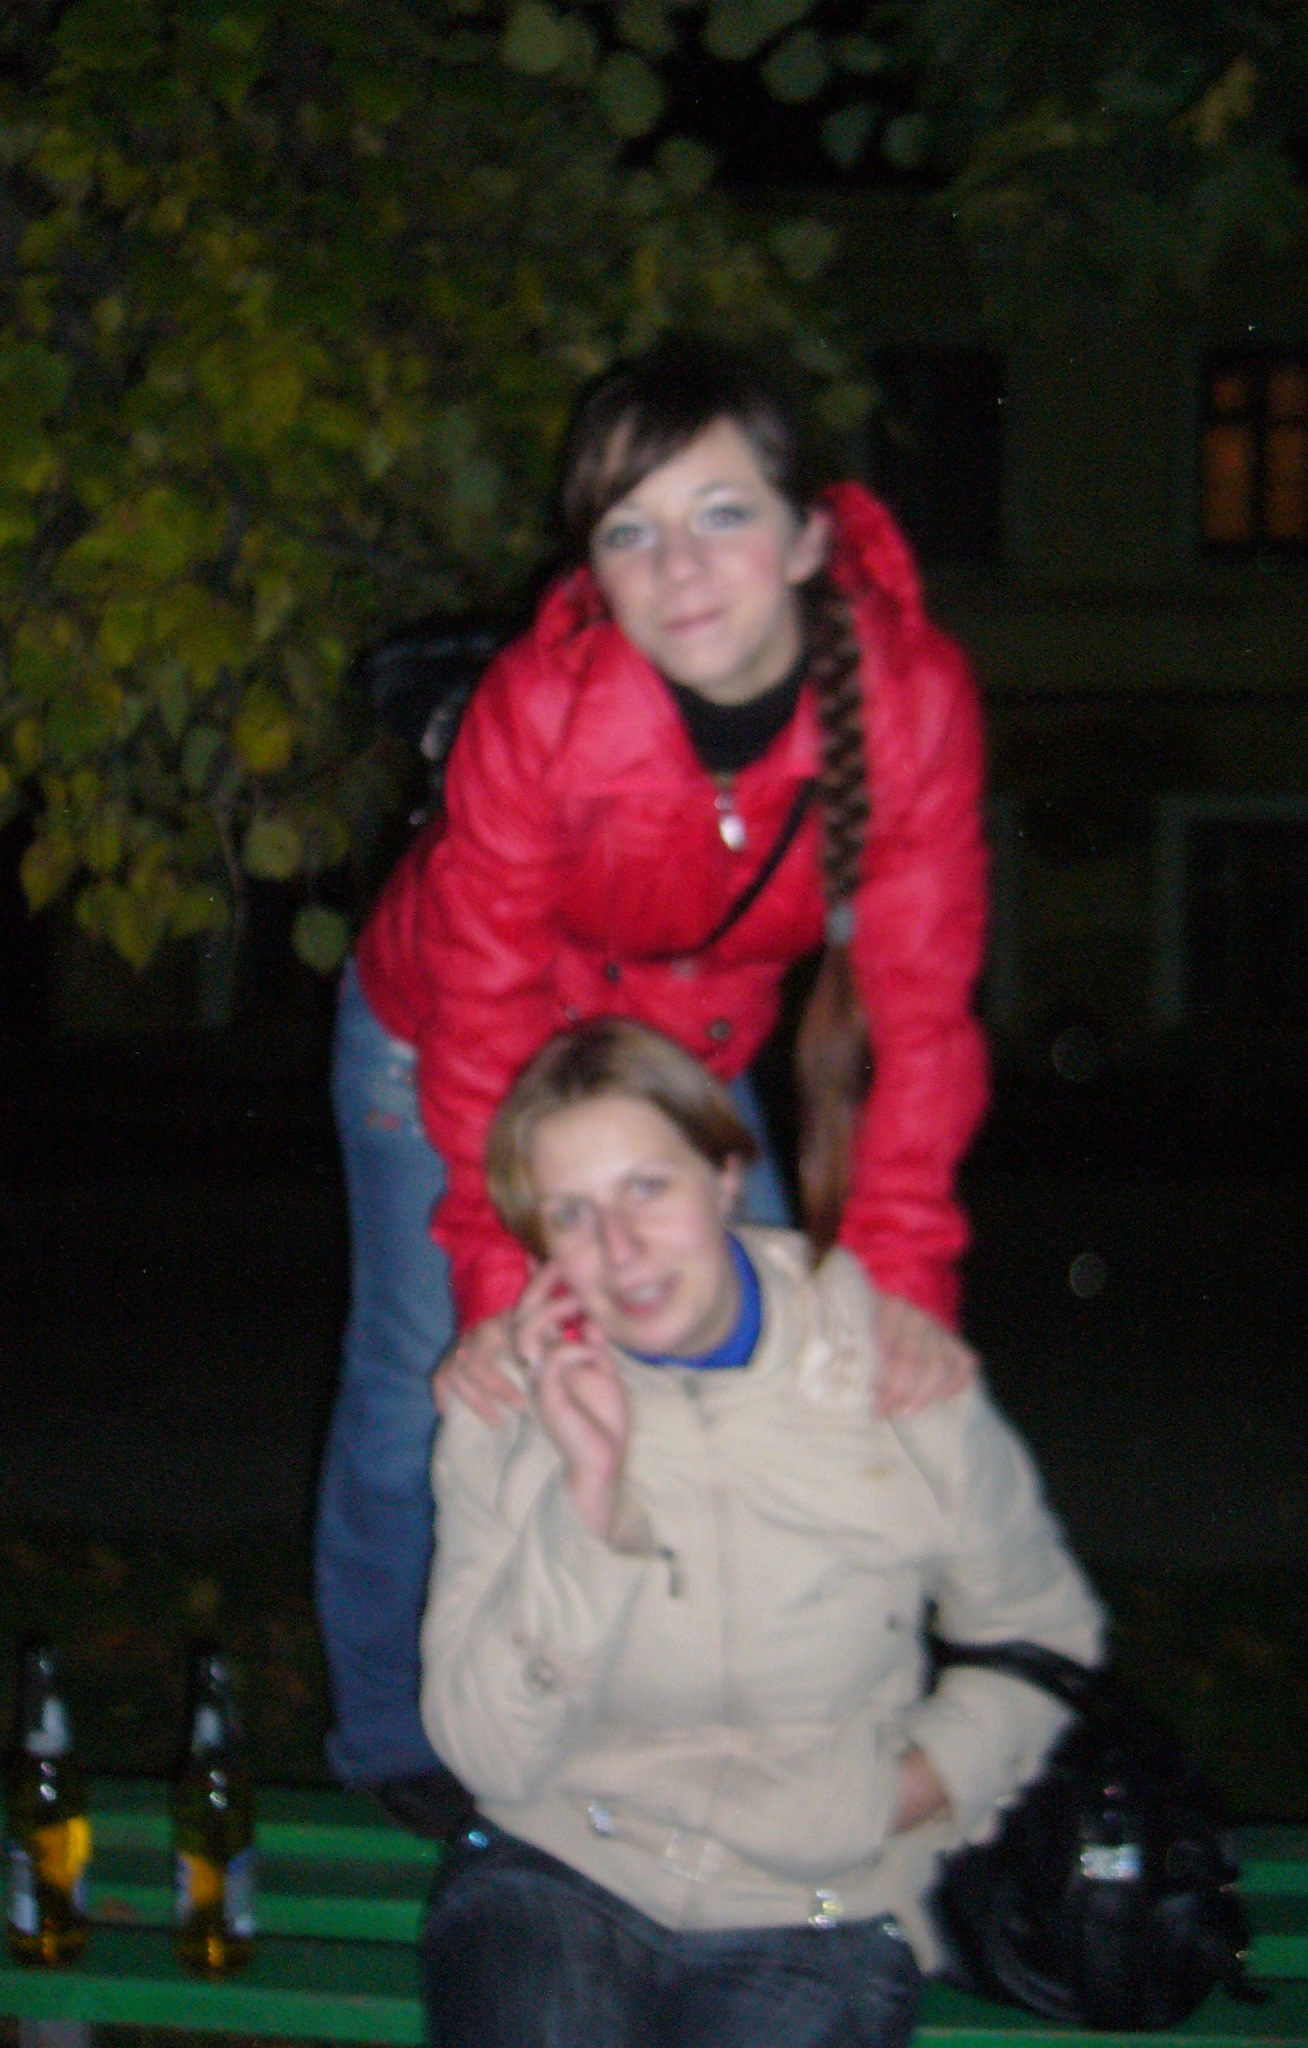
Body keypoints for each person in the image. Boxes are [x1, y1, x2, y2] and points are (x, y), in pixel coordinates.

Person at [316, 337, 991, 1829]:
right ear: (596, 568)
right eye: (631, 530)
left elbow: (920, 1011)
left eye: (722, 514)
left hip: (684, 1052)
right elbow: (485, 1012)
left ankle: (704, 1714)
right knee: (438, 1379)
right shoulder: (542, 709)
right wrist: (503, 1288)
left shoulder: (907, 703)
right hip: (447, 1032)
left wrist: (903, 1274)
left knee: (755, 1361)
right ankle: (394, 1732)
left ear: (806, 536)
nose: (679, 568)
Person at [420, 1020, 1103, 2048]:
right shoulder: (506, 1399)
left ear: (727, 1173)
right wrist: (587, 1509)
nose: (620, 1248)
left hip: (814, 1910)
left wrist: (920, 1781)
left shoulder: (881, 1358)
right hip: (557, 1872)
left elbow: (1043, 1632)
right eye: (572, 1213)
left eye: (649, 1187)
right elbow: (485, 1752)